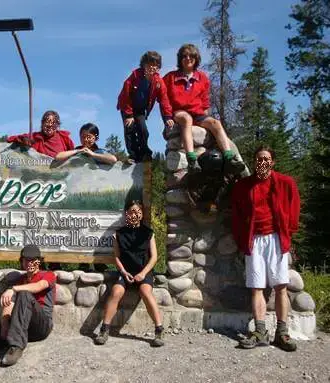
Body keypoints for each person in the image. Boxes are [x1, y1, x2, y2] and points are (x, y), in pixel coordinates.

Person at [231, 145, 300, 352]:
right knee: (256, 287)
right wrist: (241, 239)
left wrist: (288, 233)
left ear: (272, 162)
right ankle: (260, 331)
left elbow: (294, 207)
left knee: (280, 286)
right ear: (254, 162)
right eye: (259, 159)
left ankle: (282, 332)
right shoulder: (244, 186)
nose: (262, 162)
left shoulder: (285, 183)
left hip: (277, 239)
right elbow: (236, 214)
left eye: (266, 159)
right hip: (254, 240)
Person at [163, 44, 245, 175]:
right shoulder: (170, 77)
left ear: (196, 58)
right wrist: (167, 116)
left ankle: (230, 158)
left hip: (198, 113)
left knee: (215, 123)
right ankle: (191, 159)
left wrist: (206, 120)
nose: (187, 58)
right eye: (184, 56)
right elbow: (163, 98)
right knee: (186, 119)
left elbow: (205, 100)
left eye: (191, 56)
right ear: (180, 59)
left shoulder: (202, 78)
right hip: (179, 111)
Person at [94, 200, 165, 347]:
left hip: (144, 272)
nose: (135, 214)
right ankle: (104, 329)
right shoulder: (118, 235)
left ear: (142, 214)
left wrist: (143, 274)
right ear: (126, 213)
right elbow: (117, 257)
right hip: (126, 272)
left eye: (138, 211)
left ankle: (159, 329)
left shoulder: (148, 233)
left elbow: (154, 258)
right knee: (116, 291)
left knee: (145, 291)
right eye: (132, 211)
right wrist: (124, 272)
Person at [117, 51, 174, 163]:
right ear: (143, 65)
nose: (152, 67)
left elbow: (164, 100)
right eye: (149, 64)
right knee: (130, 128)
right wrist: (128, 115)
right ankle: (133, 155)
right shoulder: (135, 75)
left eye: (155, 65)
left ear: (158, 68)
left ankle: (145, 153)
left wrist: (167, 117)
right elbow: (125, 94)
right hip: (127, 106)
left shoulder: (158, 82)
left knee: (143, 130)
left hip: (140, 110)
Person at [7, 110, 75, 157]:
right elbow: (10, 139)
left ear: (57, 125)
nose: (50, 125)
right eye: (47, 122)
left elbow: (73, 154)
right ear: (42, 123)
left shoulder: (64, 138)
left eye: (53, 123)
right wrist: (24, 139)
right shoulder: (35, 136)